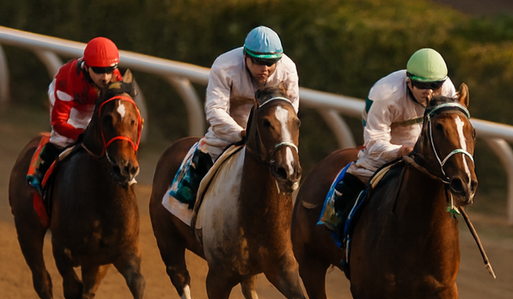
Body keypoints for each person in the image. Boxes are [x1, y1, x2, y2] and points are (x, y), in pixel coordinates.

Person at [323, 47, 457, 235]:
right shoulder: (384, 93)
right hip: (386, 142)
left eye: (435, 85)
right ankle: (335, 218)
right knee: (364, 169)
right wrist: (399, 151)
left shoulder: (447, 89)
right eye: (422, 86)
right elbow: (375, 142)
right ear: (409, 82)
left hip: (423, 143)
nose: (430, 92)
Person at [169, 25, 299, 205]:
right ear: (246, 56)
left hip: (269, 134)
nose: (265, 69)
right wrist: (241, 133)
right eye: (259, 62)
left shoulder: (288, 68)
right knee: (203, 155)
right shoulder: (224, 66)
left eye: (270, 63)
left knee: (290, 167)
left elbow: (290, 112)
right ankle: (181, 207)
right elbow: (215, 110)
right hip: (229, 131)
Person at [26, 37, 123, 192]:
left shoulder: (116, 78)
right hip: (69, 101)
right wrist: (81, 134)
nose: (105, 77)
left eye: (109, 70)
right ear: (87, 66)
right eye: (98, 70)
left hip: (92, 101)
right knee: (63, 139)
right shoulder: (68, 79)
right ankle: (40, 170)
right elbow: (59, 122)